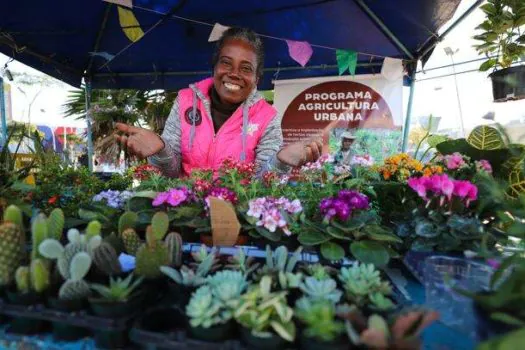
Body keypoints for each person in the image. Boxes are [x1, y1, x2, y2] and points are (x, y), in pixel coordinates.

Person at [114, 27, 322, 178]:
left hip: (237, 220)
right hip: (187, 215)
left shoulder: (267, 117)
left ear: (257, 79)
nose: (234, 74)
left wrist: (281, 161)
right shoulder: (185, 101)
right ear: (214, 67)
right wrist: (160, 150)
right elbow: (170, 172)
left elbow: (262, 184)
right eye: (226, 63)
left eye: (246, 68)